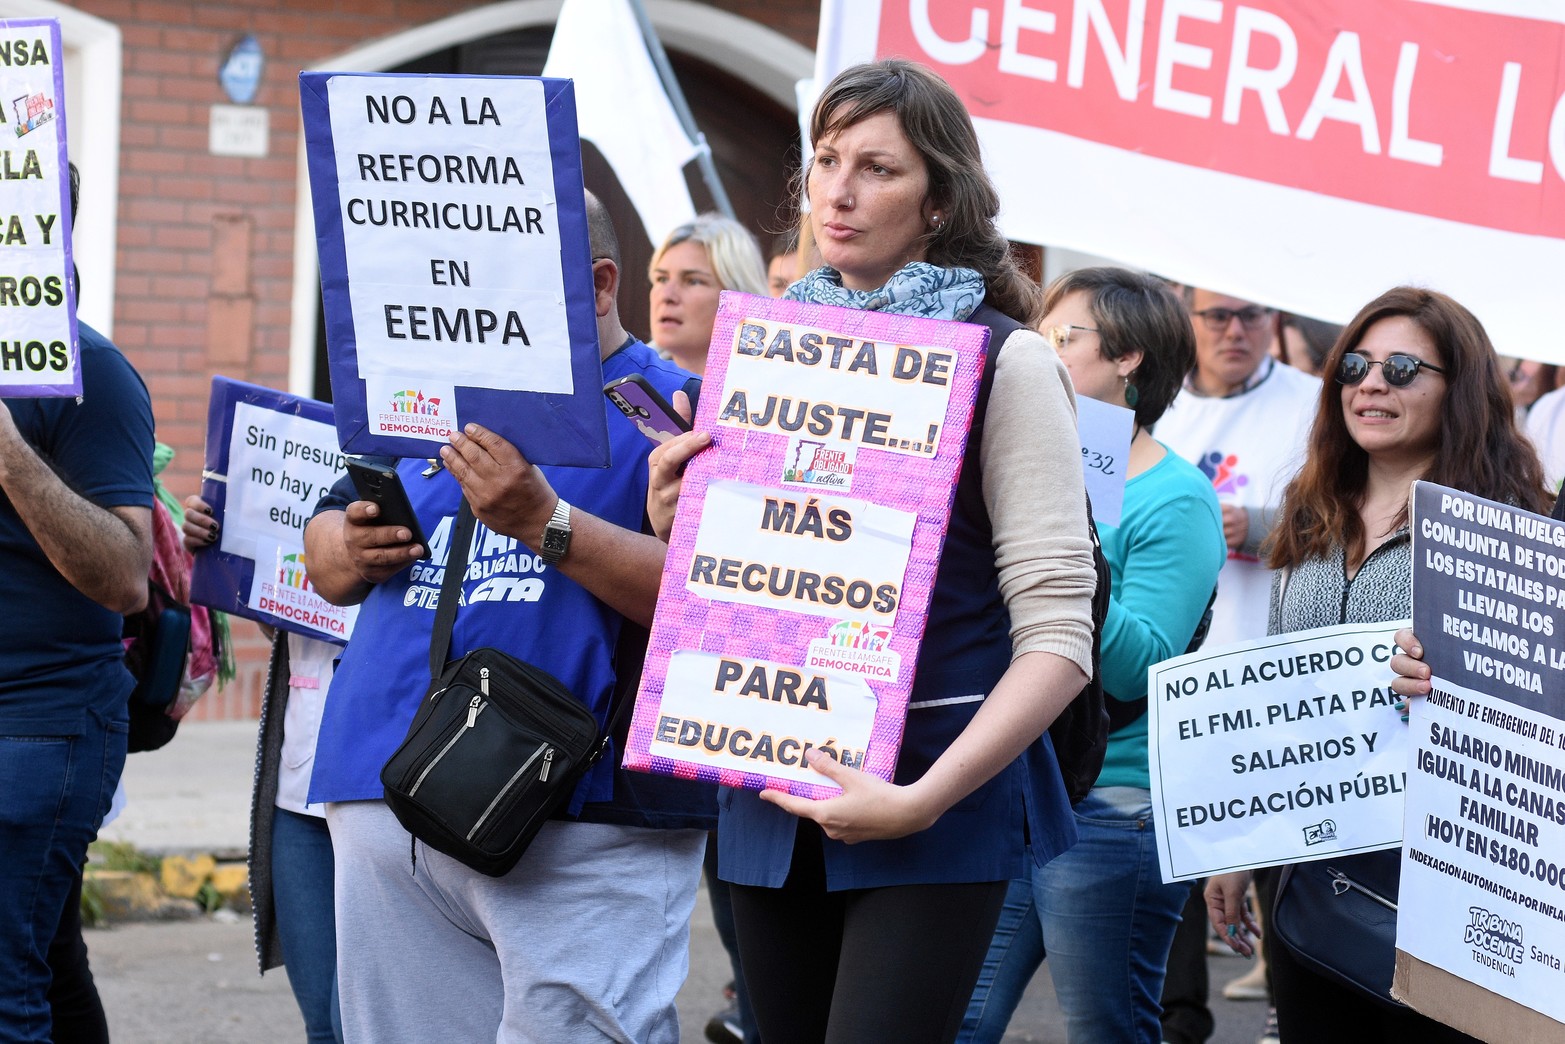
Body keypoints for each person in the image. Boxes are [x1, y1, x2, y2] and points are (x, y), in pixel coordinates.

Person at [648, 59, 1097, 1044]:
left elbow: (1061, 636)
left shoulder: (1006, 360)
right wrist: (674, 521)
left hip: (930, 792)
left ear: (938, 198)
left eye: (876, 168)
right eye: (824, 161)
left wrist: (920, 802)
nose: (838, 191)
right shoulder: (764, 353)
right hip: (768, 783)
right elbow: (744, 589)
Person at [301, 191, 711, 1043]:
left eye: (508, 285)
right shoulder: (428, 398)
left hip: (582, 816)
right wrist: (346, 546)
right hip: (379, 782)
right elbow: (324, 551)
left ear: (600, 285)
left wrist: (546, 524)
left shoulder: (684, 412)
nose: (475, 308)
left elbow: (718, 606)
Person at [1206, 286, 1549, 1041]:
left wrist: (1457, 683)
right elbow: (1276, 694)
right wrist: (1235, 846)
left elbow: (1537, 714)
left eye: (1400, 369)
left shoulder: (1511, 528)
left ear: (1457, 390)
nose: (1369, 383)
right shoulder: (1309, 509)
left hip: (1441, 884)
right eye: (1355, 366)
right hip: (1305, 875)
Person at [959, 267, 1226, 1044]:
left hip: (1114, 801)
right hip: (1020, 781)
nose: (1042, 351)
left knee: (1104, 1029)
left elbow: (1136, 667)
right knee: (958, 1022)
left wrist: (1070, 562)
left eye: (1063, 338)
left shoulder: (1174, 497)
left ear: (1128, 359)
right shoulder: (1025, 464)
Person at [0, 161, 156, 1042]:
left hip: (35, 723)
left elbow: (126, 576)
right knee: (45, 965)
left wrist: (10, 455)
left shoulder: (91, 371)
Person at [1153, 286, 1319, 1044]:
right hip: (1169, 671)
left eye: (1253, 315)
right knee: (1173, 867)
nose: (1235, 331)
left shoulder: (1313, 402)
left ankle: (1296, 1015)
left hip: (1275, 669)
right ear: (1186, 320)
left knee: (1282, 868)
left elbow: (1355, 508)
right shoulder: (1148, 396)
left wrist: (1255, 525)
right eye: (1216, 315)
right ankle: (1175, 1021)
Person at [181, 496, 343, 1043]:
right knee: (322, 1020)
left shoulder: (428, 475)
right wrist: (226, 546)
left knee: (363, 1018)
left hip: (384, 798)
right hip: (298, 794)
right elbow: (294, 630)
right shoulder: (326, 477)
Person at [649, 212, 768, 374]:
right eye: (662, 279)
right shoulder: (623, 382)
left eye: (693, 281)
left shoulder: (770, 390)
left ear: (738, 298)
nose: (667, 296)